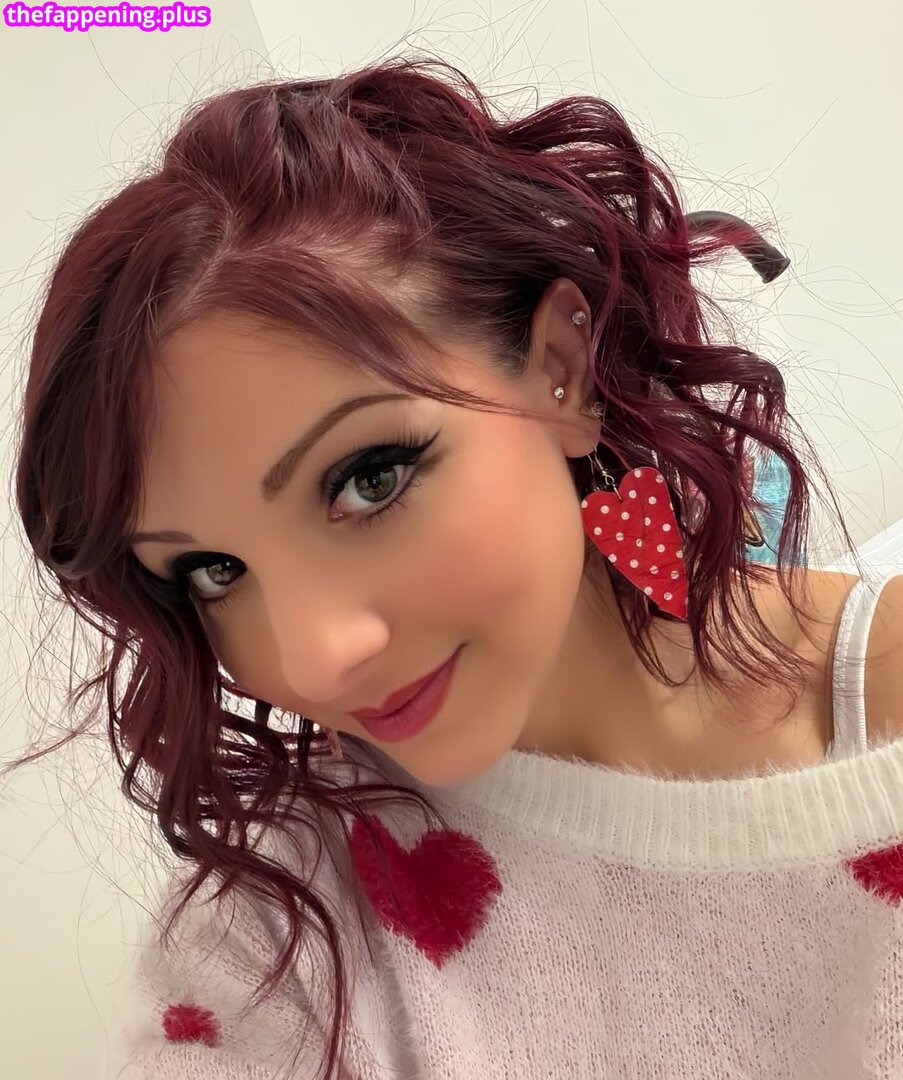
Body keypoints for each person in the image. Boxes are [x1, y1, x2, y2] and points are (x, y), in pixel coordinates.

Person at [10, 55, 903, 1080]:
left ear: (560, 372)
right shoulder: (282, 933)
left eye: (370, 479)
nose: (316, 658)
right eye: (212, 571)